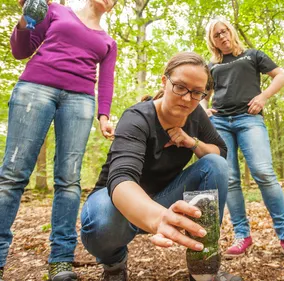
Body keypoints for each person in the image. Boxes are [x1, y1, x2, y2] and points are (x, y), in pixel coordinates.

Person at [80, 52, 243, 281]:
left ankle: (203, 267)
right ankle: (114, 264)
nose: (187, 98)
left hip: (165, 199)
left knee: (214, 164)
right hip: (118, 204)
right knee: (104, 218)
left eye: (197, 92)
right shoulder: (138, 117)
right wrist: (158, 218)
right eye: (180, 87)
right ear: (165, 82)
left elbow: (220, 152)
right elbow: (122, 178)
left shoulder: (196, 115)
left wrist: (191, 141)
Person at [0, 0, 118, 280]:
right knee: (13, 174)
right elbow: (21, 49)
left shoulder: (108, 41)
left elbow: (106, 80)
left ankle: (61, 260)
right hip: (35, 89)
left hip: (80, 101)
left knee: (69, 180)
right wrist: (26, 19)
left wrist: (104, 115)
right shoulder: (54, 9)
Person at [203, 19, 284, 261]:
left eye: (224, 31)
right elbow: (204, 94)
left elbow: (281, 76)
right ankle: (242, 236)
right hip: (220, 123)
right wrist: (204, 109)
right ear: (212, 41)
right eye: (216, 35)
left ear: (231, 31)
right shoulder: (211, 65)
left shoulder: (252, 55)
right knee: (229, 179)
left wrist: (262, 98)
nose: (222, 37)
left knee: (263, 172)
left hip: (249, 120)